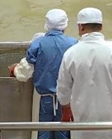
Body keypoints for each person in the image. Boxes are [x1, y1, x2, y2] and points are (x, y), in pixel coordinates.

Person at [57, 7, 112, 139]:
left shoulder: (70, 54)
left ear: (80, 27)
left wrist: (66, 111)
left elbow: (63, 89)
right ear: (101, 27)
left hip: (83, 125)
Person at [13, 9, 79, 139]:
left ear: (47, 25)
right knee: (64, 131)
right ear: (65, 25)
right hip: (66, 99)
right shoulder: (73, 44)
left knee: (42, 131)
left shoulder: (38, 44)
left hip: (43, 98)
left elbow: (24, 73)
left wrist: (15, 69)